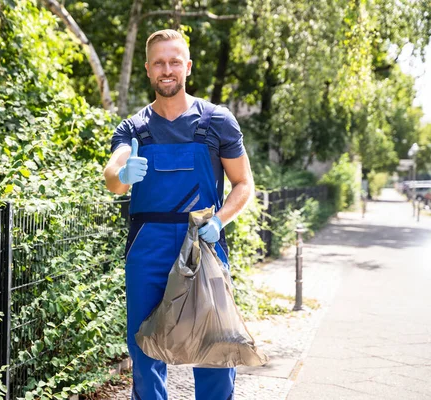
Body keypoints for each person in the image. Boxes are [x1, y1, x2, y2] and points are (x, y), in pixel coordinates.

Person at [103, 29, 254, 400]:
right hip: (147, 249)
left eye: (174, 61)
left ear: (187, 66)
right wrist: (122, 176)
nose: (166, 69)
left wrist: (219, 220)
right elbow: (112, 176)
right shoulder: (134, 127)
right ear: (148, 69)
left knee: (215, 345)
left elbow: (244, 184)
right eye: (159, 62)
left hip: (201, 243)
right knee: (144, 348)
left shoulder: (217, 121)